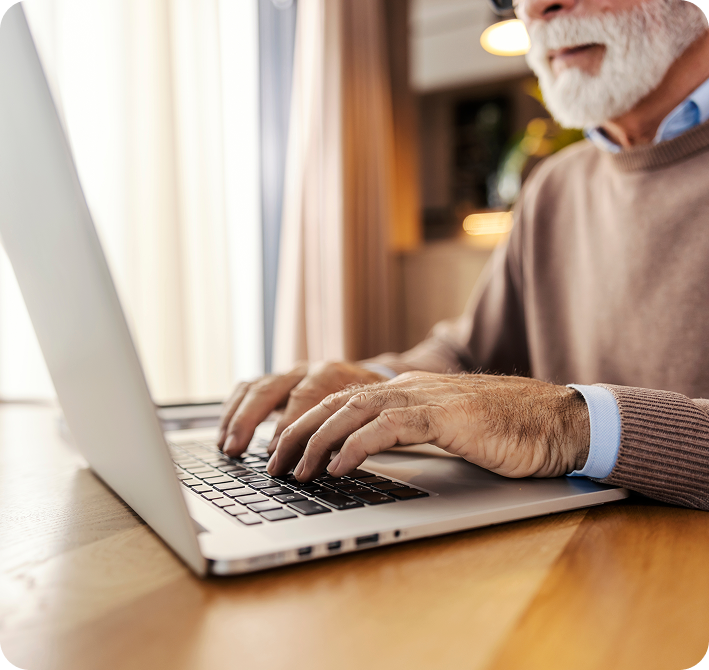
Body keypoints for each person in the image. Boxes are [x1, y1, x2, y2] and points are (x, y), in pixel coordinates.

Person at [218, 0, 709, 511]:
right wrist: (376, 382)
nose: (535, 7)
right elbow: (472, 352)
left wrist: (568, 425)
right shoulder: (555, 184)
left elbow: (546, 416)